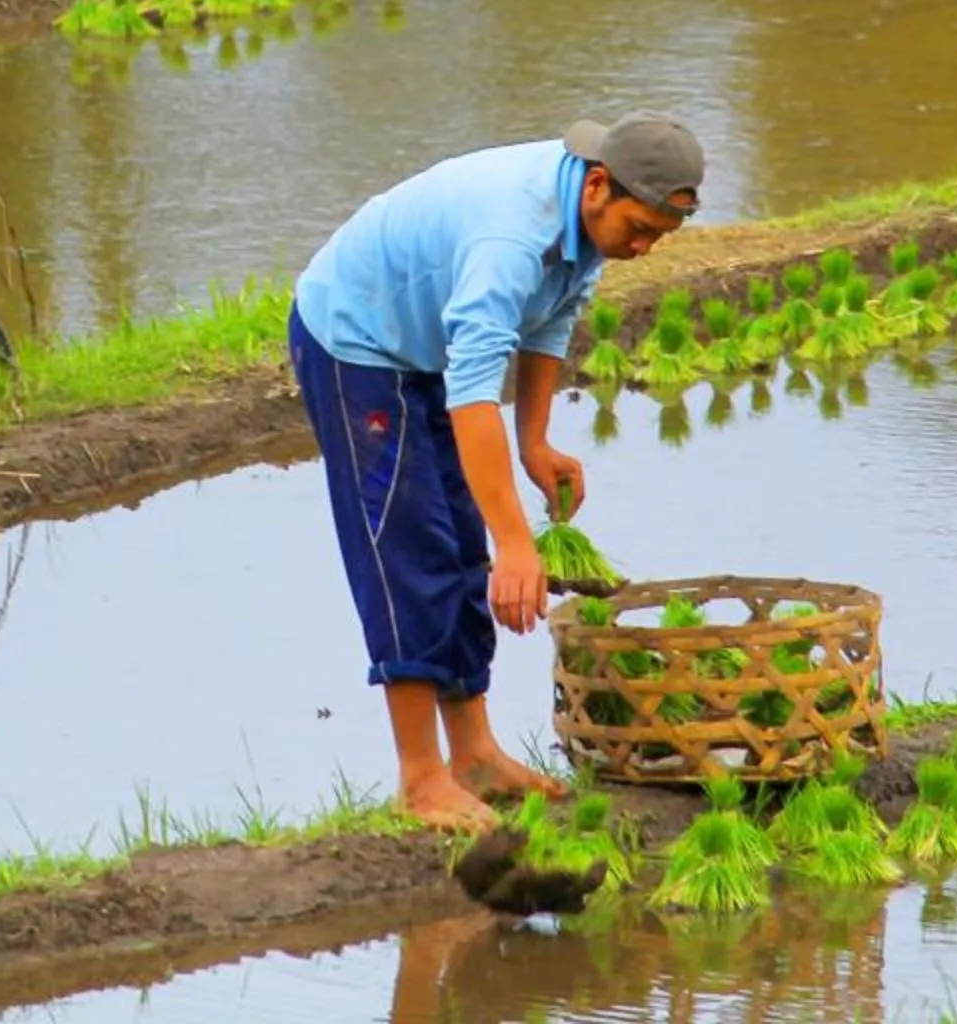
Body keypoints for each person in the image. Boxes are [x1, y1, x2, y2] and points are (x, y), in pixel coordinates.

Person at [289, 112, 704, 828]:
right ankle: (421, 779)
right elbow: (474, 389)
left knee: (458, 545)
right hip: (356, 339)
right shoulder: (511, 237)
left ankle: (474, 754)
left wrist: (533, 442)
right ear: (598, 186)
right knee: (405, 552)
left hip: (424, 341)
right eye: (639, 229)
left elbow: (549, 320)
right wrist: (516, 542)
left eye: (659, 238)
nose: (642, 249)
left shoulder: (589, 219)